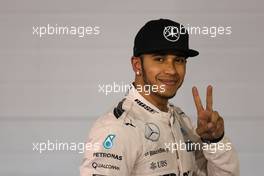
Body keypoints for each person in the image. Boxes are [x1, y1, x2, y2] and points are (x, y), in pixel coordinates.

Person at [80, 19, 239, 176]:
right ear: (137, 65)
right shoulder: (116, 129)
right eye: (160, 59)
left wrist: (215, 141)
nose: (171, 70)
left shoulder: (181, 121)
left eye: (179, 60)